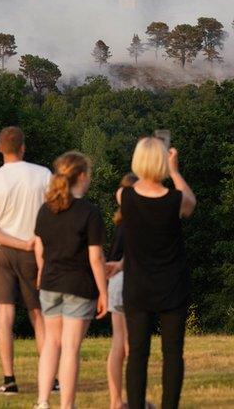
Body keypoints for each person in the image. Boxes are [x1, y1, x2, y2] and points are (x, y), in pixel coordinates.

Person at [119, 137, 196, 409]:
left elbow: (135, 191)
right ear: (163, 161)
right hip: (173, 284)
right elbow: (191, 202)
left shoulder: (124, 197)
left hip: (138, 284)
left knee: (138, 353)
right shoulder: (175, 200)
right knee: (173, 353)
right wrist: (174, 171)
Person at [0, 126, 52, 395]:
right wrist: (30, 243)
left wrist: (14, 242)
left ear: (0, 148)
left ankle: (9, 380)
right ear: (23, 147)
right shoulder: (43, 175)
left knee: (5, 314)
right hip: (36, 249)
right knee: (38, 314)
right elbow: (55, 214)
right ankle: (51, 378)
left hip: (2, 252)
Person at [33, 151, 109, 409]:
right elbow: (96, 258)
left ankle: (43, 401)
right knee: (70, 347)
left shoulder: (45, 210)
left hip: (50, 284)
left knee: (51, 344)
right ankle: (66, 405)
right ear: (82, 177)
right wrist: (104, 292)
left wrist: (42, 275)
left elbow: (39, 249)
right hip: (79, 286)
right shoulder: (90, 213)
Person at [106, 173, 137, 409]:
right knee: (133, 344)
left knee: (119, 342)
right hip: (133, 280)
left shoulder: (122, 222)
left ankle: (116, 401)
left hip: (115, 282)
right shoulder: (140, 219)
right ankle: (132, 397)